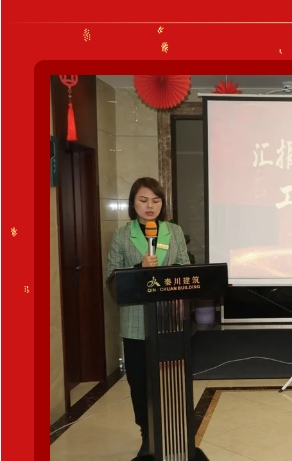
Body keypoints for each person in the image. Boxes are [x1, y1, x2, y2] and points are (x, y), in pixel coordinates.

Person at [105, 177, 191, 457]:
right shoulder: (122, 235)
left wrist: (168, 272)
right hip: (135, 323)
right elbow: (111, 278)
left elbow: (185, 268)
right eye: (143, 200)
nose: (150, 206)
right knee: (140, 384)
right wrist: (138, 267)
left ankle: (172, 434)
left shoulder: (174, 231)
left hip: (168, 319)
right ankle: (147, 435)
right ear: (133, 203)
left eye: (156, 200)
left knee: (170, 381)